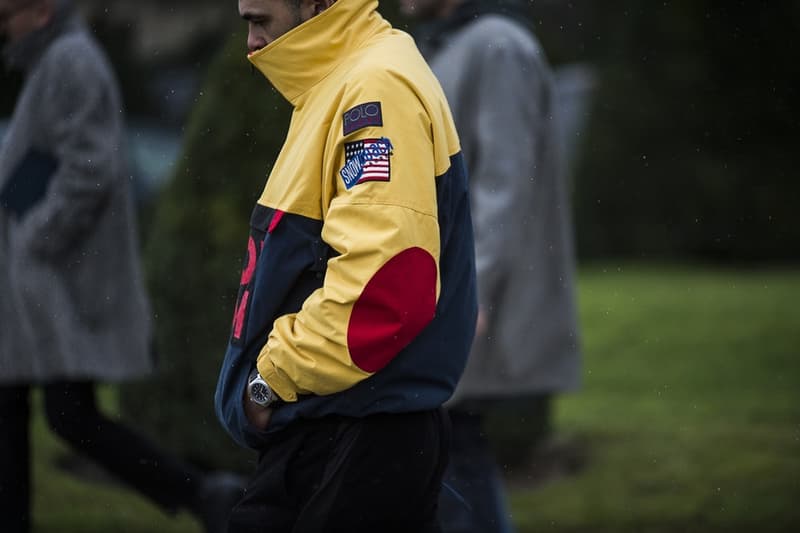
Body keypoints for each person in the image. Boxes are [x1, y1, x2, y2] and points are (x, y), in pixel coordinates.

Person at [212, 0, 477, 530]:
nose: (251, 45)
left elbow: (386, 288)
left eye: (260, 21)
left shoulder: (374, 86)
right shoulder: (346, 81)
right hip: (342, 423)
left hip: (356, 431)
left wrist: (267, 382)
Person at [0, 1, 242, 532]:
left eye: (8, 15)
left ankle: (206, 495)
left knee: (69, 417)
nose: (4, 25)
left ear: (39, 13)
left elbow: (90, 169)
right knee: (26, 406)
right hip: (40, 283)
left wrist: (35, 236)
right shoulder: (55, 58)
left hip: (57, 284)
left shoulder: (69, 60)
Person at [398, 0, 582, 531]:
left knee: (452, 449)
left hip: (467, 295)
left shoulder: (497, 46)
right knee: (451, 450)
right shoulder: (454, 44)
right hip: (445, 287)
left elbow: (504, 182)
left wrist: (470, 290)